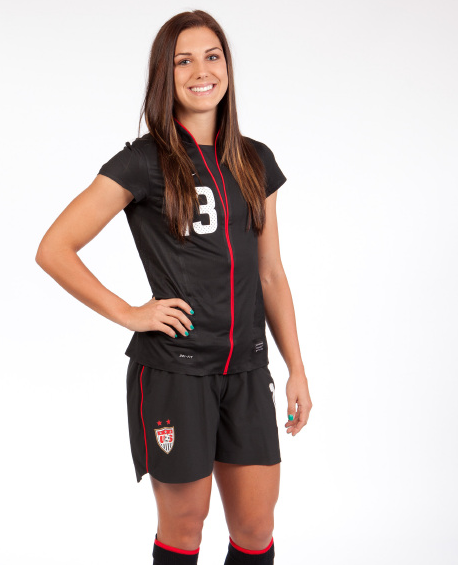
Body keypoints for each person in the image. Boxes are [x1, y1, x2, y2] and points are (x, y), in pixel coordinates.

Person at [35, 9, 312, 565]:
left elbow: (271, 273)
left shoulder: (256, 160)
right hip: (176, 371)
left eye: (213, 56)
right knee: (185, 525)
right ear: (165, 73)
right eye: (184, 61)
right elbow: (54, 248)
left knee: (256, 528)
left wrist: (296, 368)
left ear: (227, 66)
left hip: (246, 368)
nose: (201, 71)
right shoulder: (144, 161)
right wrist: (130, 312)